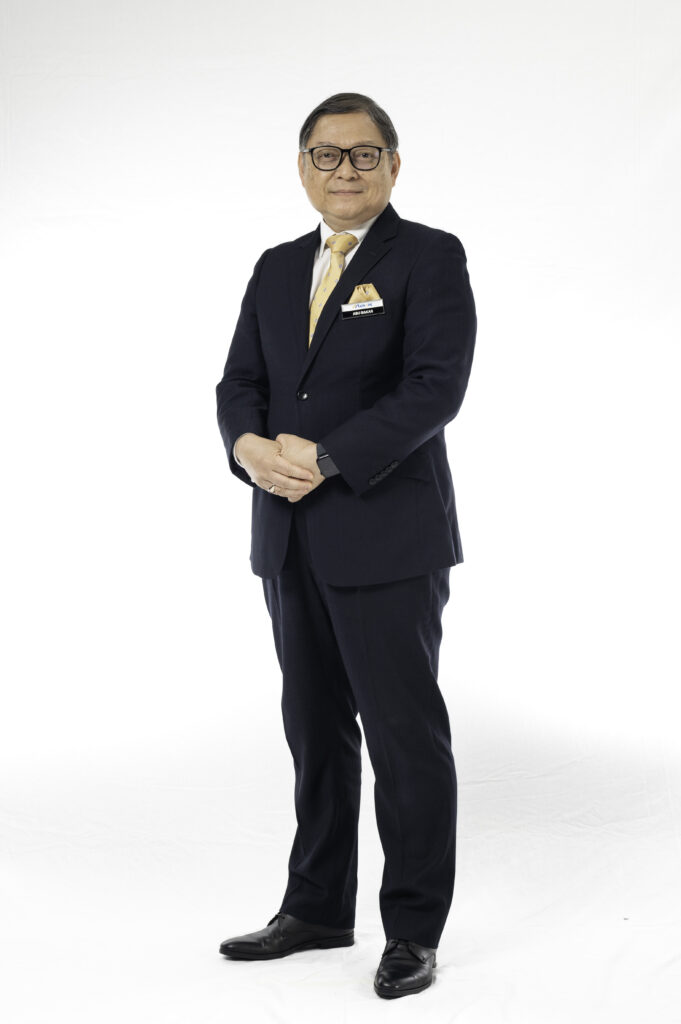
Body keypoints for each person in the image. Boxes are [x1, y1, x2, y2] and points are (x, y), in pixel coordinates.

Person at [215, 92, 477, 999]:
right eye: (326, 155)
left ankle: (412, 931)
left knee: (403, 738)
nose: (345, 171)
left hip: (386, 536)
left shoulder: (428, 257)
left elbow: (434, 388)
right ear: (303, 168)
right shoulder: (276, 266)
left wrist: (327, 458)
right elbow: (239, 382)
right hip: (288, 536)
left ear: (393, 166)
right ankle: (317, 908)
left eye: (365, 154)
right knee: (315, 732)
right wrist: (247, 448)